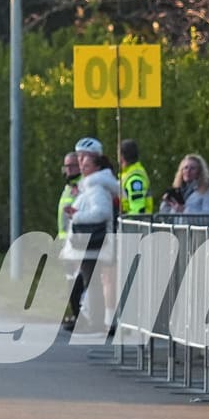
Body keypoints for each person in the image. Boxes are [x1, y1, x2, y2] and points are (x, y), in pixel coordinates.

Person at [59, 137, 120, 336]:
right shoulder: (93, 184)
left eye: (84, 158)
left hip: (93, 242)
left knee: (90, 283)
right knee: (89, 282)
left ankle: (94, 322)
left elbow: (101, 212)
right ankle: (91, 320)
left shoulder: (96, 186)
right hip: (91, 243)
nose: (80, 163)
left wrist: (76, 215)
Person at [57, 151, 84, 331]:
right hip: (65, 240)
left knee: (78, 280)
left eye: (72, 165)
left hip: (77, 241)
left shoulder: (81, 186)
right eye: (67, 166)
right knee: (70, 279)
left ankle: (80, 316)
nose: (69, 169)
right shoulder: (69, 186)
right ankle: (75, 314)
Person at [118, 138, 153, 215]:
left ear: (122, 157)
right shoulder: (127, 175)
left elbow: (137, 209)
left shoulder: (134, 178)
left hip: (135, 225)